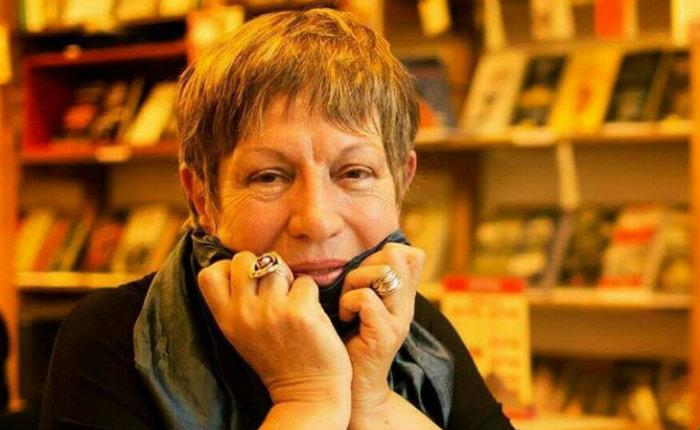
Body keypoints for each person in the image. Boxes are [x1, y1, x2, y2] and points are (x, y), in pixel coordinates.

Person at [40, 9, 514, 430]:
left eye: (354, 172)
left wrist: (372, 400)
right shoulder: (113, 337)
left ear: (401, 182)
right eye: (269, 177)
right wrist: (308, 398)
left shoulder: (413, 327)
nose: (317, 220)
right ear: (202, 196)